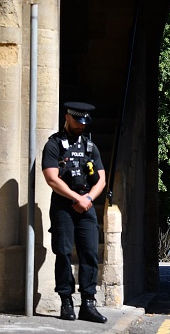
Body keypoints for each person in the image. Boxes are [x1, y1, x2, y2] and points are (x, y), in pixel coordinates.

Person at [42, 102, 107, 323]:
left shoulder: (90, 146)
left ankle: (88, 303)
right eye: (78, 122)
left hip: (85, 206)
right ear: (68, 117)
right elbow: (52, 178)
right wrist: (76, 198)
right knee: (63, 252)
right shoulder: (54, 145)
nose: (81, 127)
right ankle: (66, 301)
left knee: (90, 253)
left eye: (85, 123)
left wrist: (87, 198)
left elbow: (101, 180)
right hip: (63, 207)